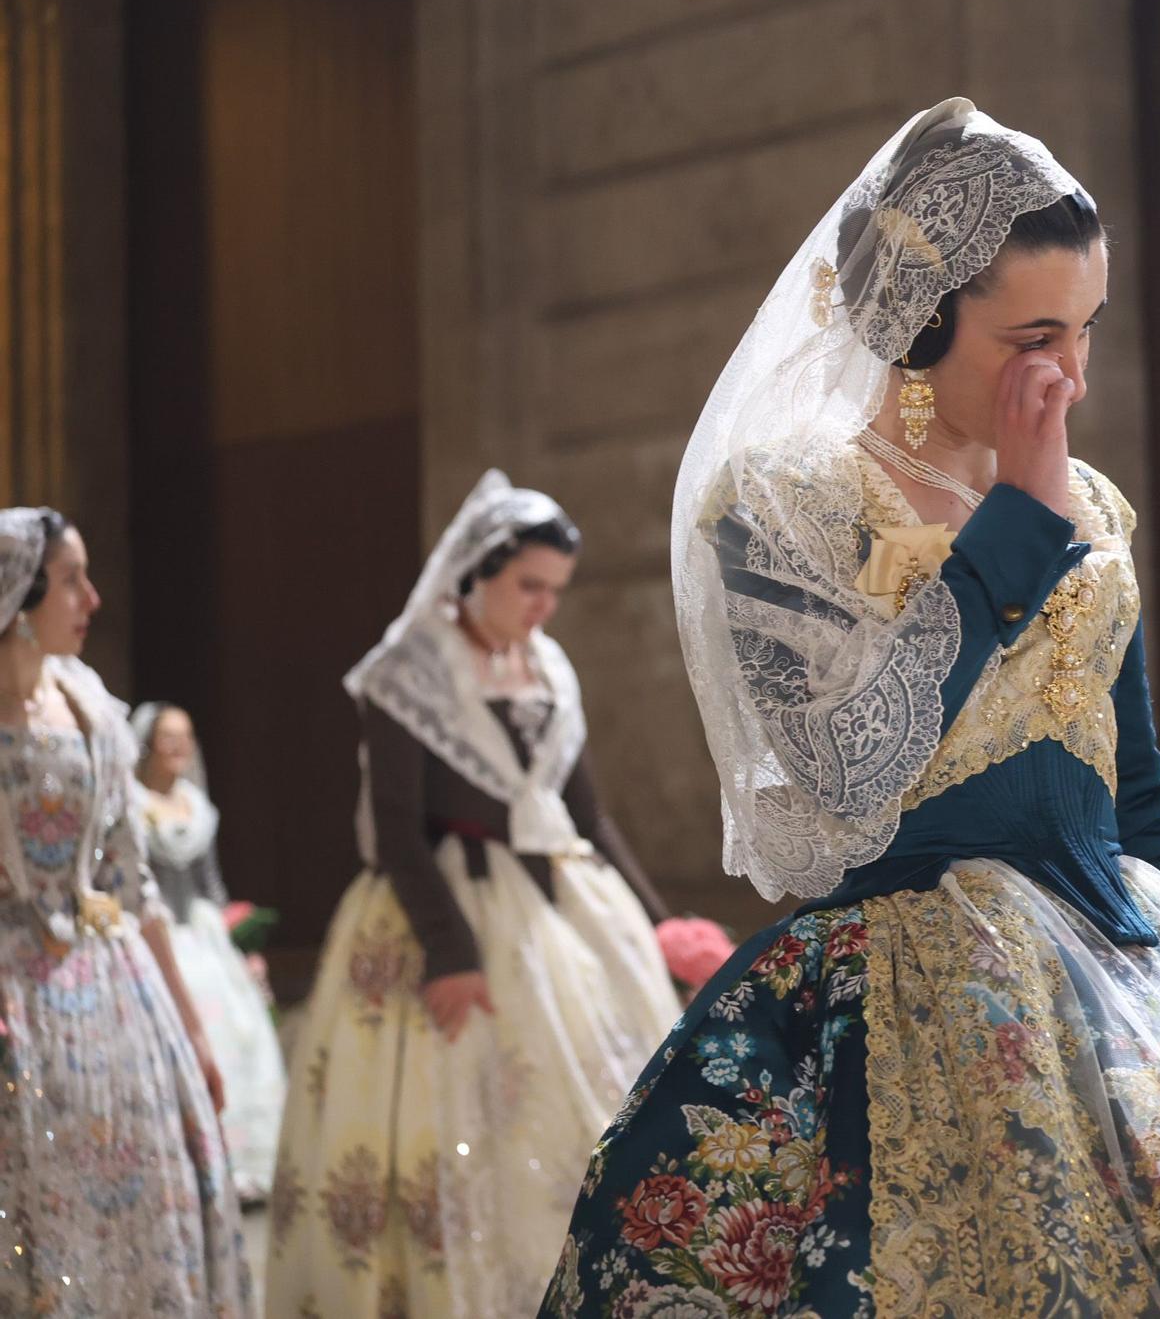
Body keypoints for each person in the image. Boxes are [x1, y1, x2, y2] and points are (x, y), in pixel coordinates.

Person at [540, 98, 1160, 1318]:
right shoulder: (785, 498)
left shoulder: (1091, 506)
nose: (1073, 375)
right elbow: (846, 777)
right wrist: (1014, 531)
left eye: (1087, 329)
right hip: (911, 979)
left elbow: (1138, 799)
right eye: (1033, 336)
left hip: (1138, 963)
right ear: (913, 318)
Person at [267, 474, 681, 1317]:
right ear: (475, 571)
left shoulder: (547, 667)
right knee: (449, 1127)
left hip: (559, 909)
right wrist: (450, 954)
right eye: (529, 585)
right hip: (443, 911)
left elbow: (589, 815)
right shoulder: (408, 669)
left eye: (555, 591)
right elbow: (395, 829)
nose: (543, 607)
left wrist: (660, 925)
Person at [0, 508, 251, 1315]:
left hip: (113, 990)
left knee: (146, 1188)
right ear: (18, 594)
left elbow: (131, 882)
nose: (92, 598)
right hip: (14, 997)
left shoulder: (93, 709)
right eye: (71, 579)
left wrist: (192, 1025)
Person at [132, 700, 288, 1202]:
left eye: (187, 736)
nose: (179, 747)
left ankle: (244, 1161)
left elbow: (210, 885)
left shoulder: (196, 808)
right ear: (148, 745)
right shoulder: (133, 805)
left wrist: (238, 944)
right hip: (155, 934)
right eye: (168, 737)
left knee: (239, 1030)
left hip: (199, 933)